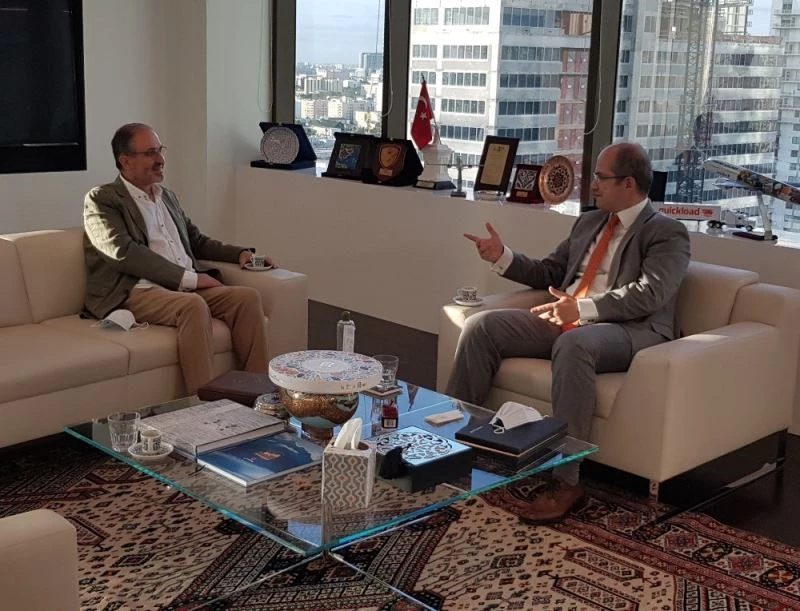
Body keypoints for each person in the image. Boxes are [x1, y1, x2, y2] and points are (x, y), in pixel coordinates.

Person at [448, 142, 690, 521]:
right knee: (482, 325)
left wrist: (582, 308)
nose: (592, 185)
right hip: (569, 317)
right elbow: (551, 272)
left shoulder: (666, 231)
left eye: (601, 177)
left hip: (629, 330)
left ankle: (566, 479)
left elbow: (650, 294)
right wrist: (503, 256)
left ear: (628, 183)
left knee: (575, 344)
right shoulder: (590, 222)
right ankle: (455, 440)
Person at [83, 123, 273, 395]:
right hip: (137, 289)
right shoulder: (103, 199)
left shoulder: (167, 197)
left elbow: (196, 241)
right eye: (150, 153)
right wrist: (192, 279)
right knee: (192, 306)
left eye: (160, 150)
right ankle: (203, 404)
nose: (160, 159)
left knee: (247, 298)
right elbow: (123, 251)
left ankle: (259, 395)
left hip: (182, 287)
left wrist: (240, 253)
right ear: (125, 161)